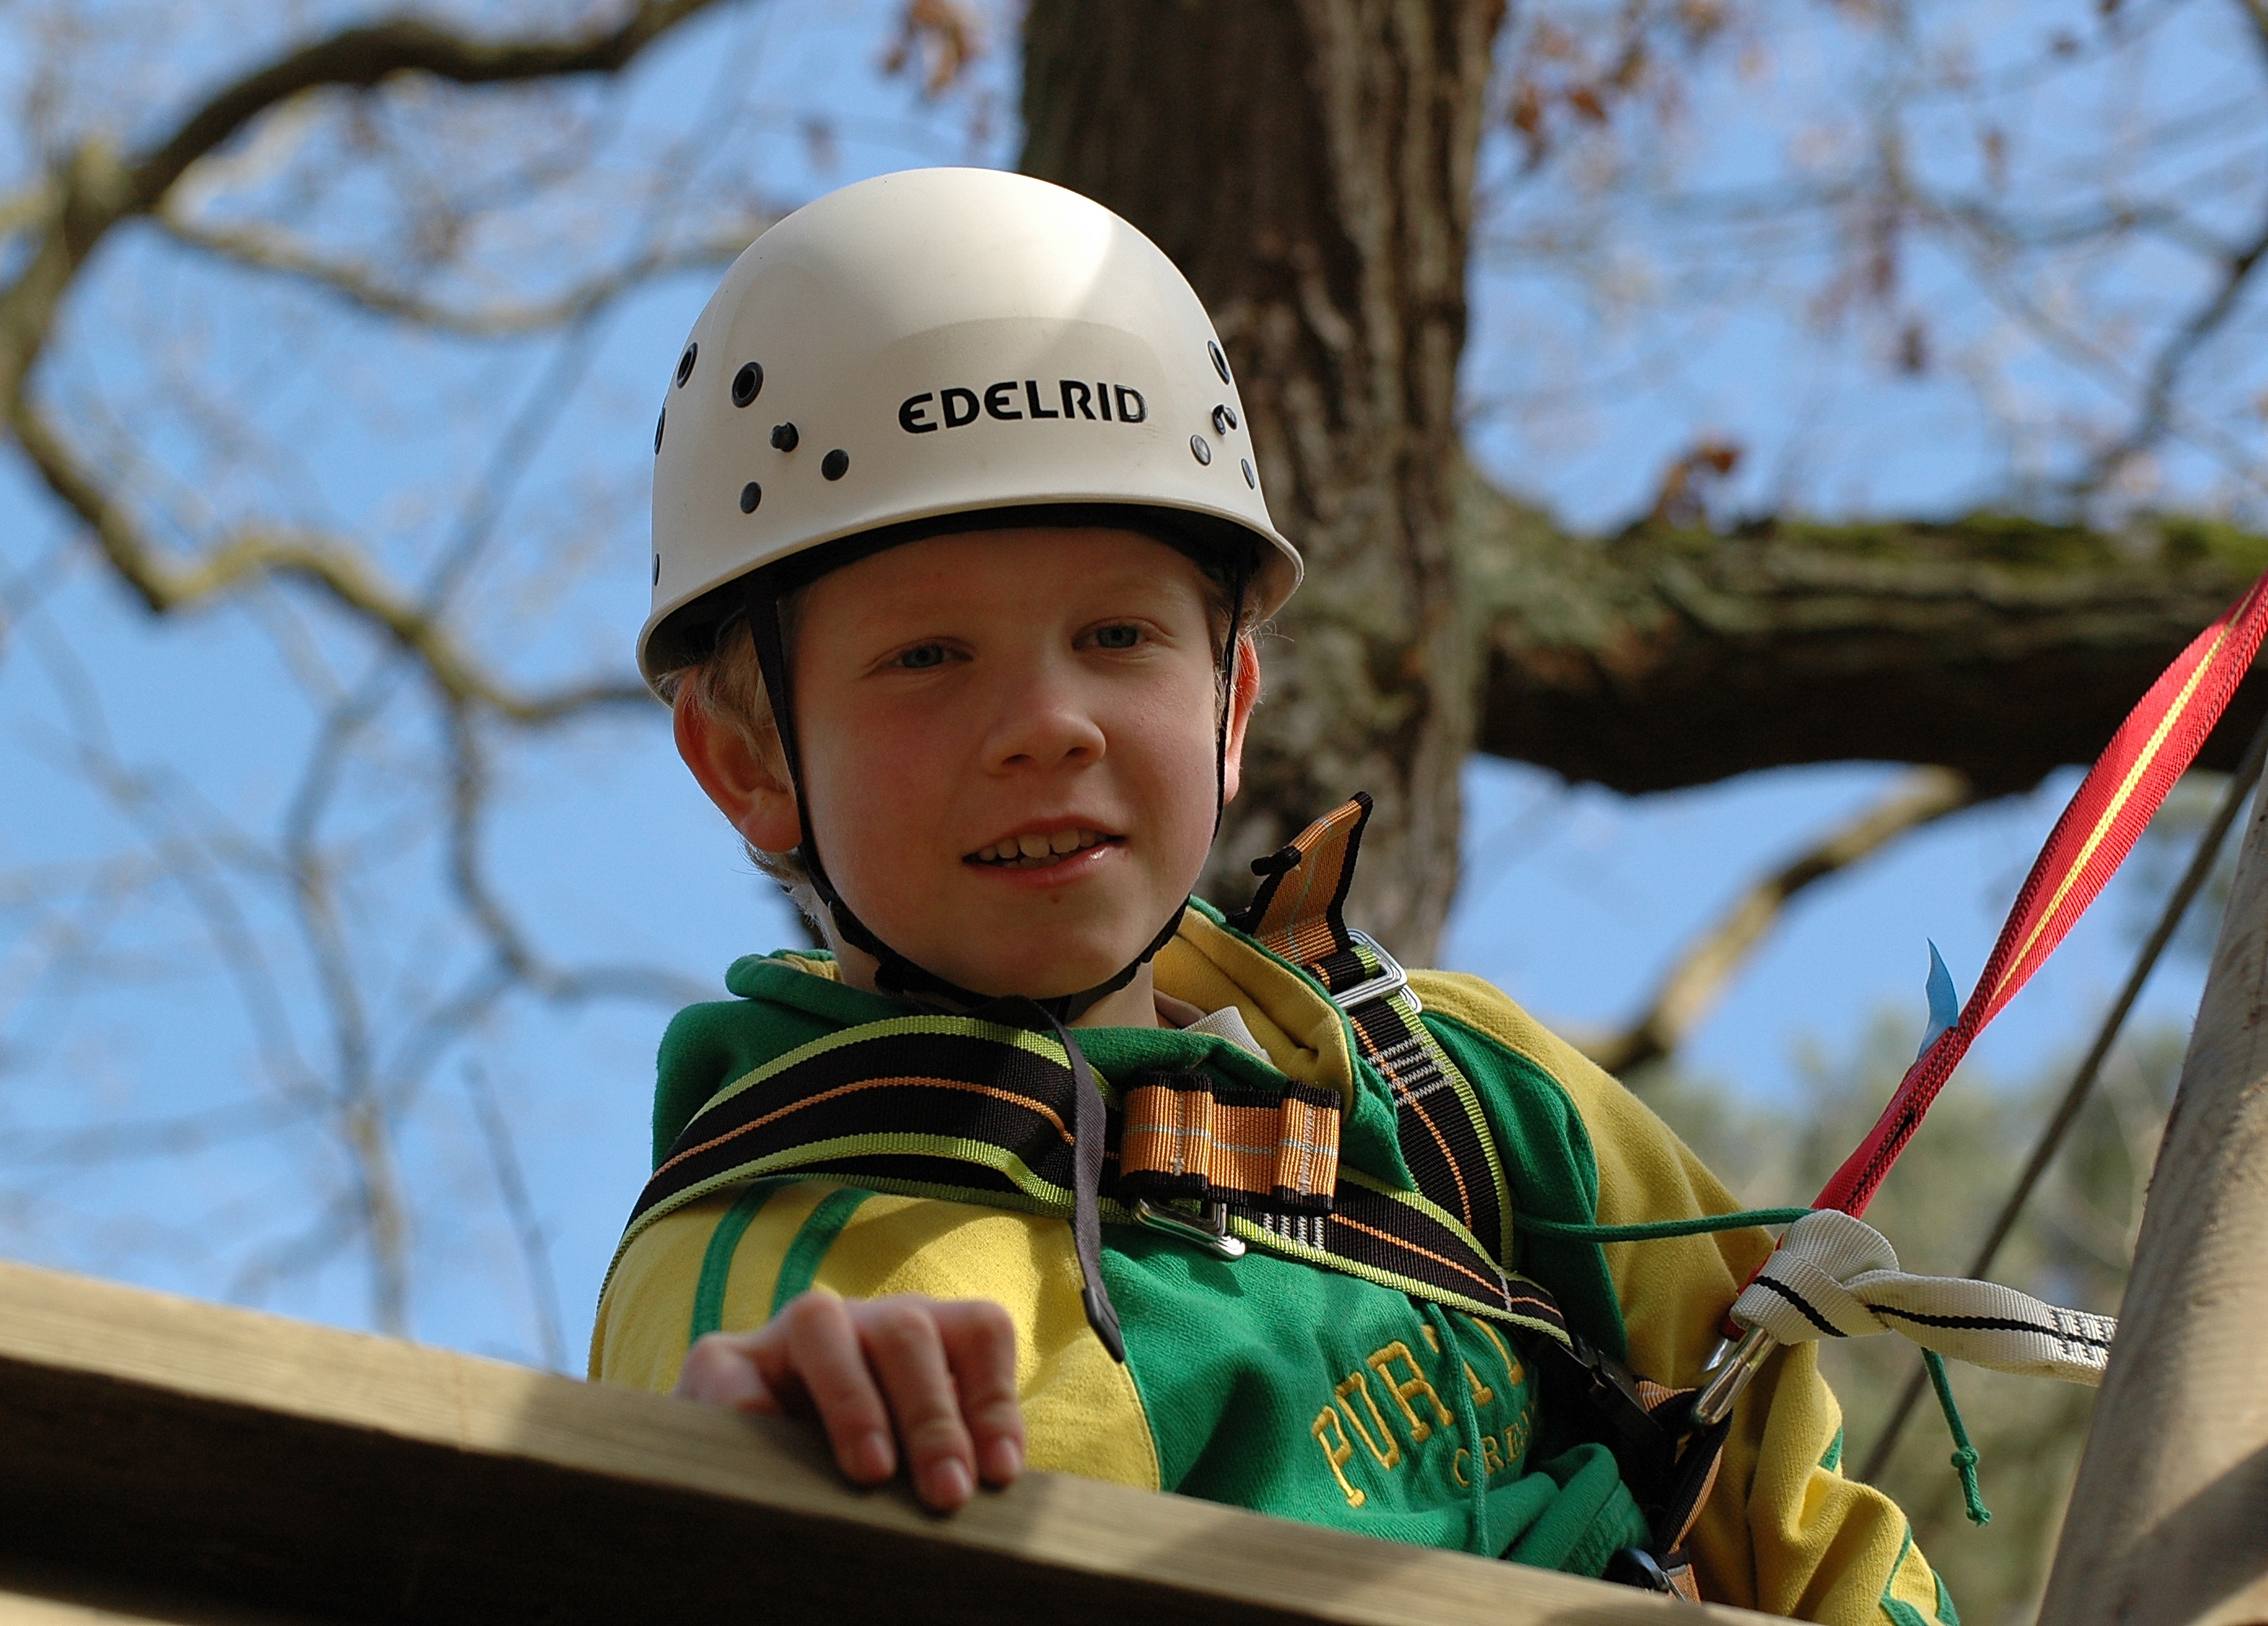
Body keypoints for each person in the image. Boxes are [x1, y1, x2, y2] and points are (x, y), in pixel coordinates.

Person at [591, 167, 1952, 1625]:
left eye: (1117, 633)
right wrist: (752, 1475)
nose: (1050, 723)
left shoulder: (1456, 1092)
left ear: (1232, 705)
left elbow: (1800, 1510)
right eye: (928, 657)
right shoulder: (801, 1272)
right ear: (749, 760)